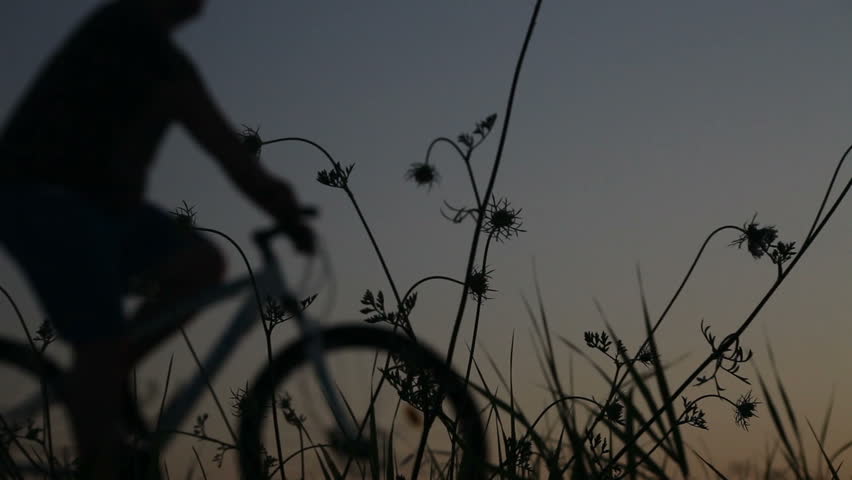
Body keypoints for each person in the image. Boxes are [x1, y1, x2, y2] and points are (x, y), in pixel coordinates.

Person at [0, 0, 315, 477]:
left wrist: (276, 201)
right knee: (99, 342)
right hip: (42, 197)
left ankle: (107, 376)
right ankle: (102, 455)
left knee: (202, 265)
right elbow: (223, 144)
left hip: (106, 209)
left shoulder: (163, 56)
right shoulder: (129, 33)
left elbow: (223, 145)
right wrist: (281, 206)